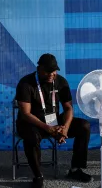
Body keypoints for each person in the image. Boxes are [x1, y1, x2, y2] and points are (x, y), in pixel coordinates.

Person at [15, 53, 93, 188]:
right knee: (32, 137)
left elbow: (68, 108)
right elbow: (26, 114)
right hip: (31, 123)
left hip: (54, 122)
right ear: (39, 68)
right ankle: (38, 176)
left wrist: (65, 129)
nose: (52, 74)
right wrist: (47, 128)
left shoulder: (61, 82)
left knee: (84, 126)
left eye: (54, 70)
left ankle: (76, 169)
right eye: (48, 71)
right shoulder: (26, 83)